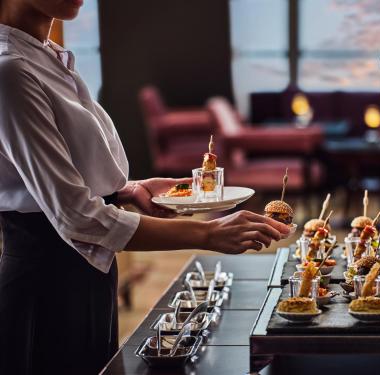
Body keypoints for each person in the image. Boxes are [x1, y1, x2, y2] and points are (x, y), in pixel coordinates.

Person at [0, 1, 289, 374]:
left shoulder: (49, 57)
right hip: (46, 285)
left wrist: (127, 190)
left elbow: (52, 179)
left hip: (91, 275)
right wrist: (208, 232)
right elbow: (76, 219)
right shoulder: (11, 71)